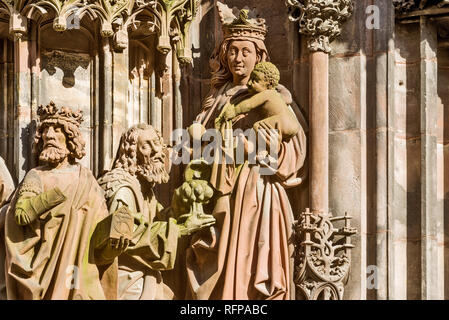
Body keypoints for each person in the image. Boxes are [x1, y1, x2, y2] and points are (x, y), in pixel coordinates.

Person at [185, 3, 307, 300]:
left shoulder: (275, 97)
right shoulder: (216, 97)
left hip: (257, 186)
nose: (238, 58)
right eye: (232, 51)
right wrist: (200, 138)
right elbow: (202, 143)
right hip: (219, 185)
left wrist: (263, 146)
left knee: (255, 255)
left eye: (246, 52)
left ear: (259, 56)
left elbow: (295, 142)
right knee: (221, 253)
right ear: (224, 55)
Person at [1, 101, 125, 300]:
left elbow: (98, 238)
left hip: (81, 273)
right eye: (45, 130)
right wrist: (56, 195)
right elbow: (21, 215)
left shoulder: (87, 181)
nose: (49, 135)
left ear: (70, 138)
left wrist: (114, 242)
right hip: (42, 272)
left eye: (57, 129)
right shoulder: (35, 176)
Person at [97, 124, 214, 300]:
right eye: (146, 146)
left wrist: (181, 206)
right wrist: (182, 229)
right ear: (131, 153)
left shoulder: (144, 188)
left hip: (144, 276)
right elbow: (125, 236)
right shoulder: (123, 187)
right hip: (126, 281)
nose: (156, 152)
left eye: (158, 144)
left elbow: (156, 220)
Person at [215, 61, 301, 140]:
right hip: (294, 125)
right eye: (250, 78)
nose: (249, 83)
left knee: (257, 127)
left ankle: (263, 150)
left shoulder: (267, 94)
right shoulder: (277, 96)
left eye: (255, 80)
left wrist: (234, 111)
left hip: (283, 122)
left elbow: (248, 104)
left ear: (269, 85)